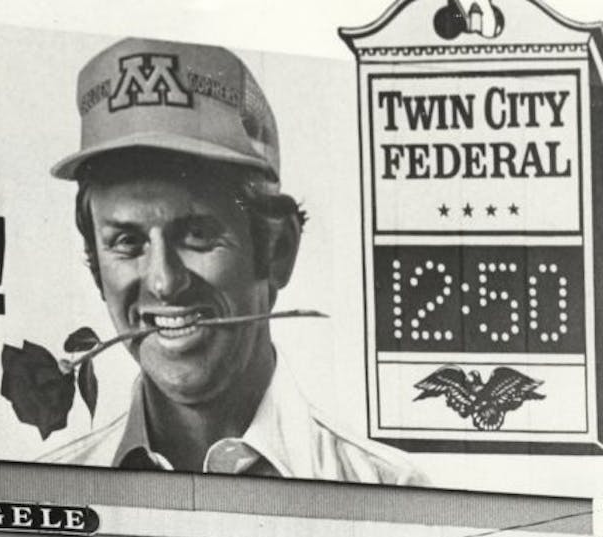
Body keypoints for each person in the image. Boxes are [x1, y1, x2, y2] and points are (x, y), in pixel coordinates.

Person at [42, 37, 424, 484]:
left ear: (278, 249)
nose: (164, 283)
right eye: (127, 242)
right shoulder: (48, 491)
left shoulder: (390, 490)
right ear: (95, 263)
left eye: (198, 235)